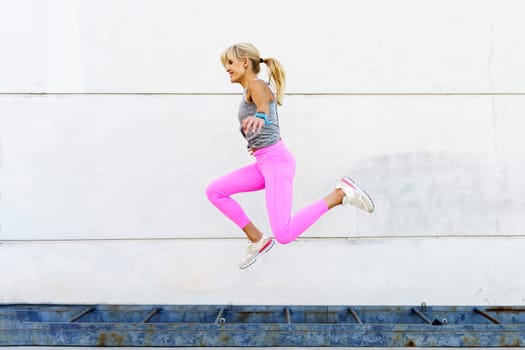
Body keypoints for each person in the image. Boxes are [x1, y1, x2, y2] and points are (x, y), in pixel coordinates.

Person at [206, 43, 374, 269]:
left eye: (230, 62)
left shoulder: (256, 86)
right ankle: (257, 239)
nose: (226, 68)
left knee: (284, 234)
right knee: (215, 191)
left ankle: (339, 193)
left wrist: (261, 119)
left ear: (245, 62)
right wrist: (255, 142)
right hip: (264, 162)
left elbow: (264, 105)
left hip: (276, 162)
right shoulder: (251, 89)